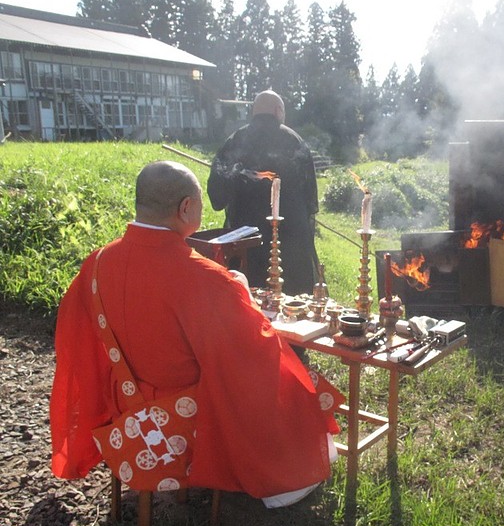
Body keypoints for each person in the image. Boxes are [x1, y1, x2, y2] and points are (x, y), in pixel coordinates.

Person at [50, 160, 338, 507]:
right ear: (186, 208)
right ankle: (283, 477)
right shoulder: (201, 275)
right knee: (284, 378)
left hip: (123, 402)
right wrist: (241, 294)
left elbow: (77, 336)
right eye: (200, 203)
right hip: (183, 413)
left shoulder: (97, 261)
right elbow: (251, 348)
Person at [208, 90, 319, 295]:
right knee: (292, 301)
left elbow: (217, 197)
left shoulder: (235, 141)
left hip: (247, 242)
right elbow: (311, 200)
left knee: (250, 297)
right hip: (290, 243)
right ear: (278, 111)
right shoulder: (295, 141)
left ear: (253, 112)